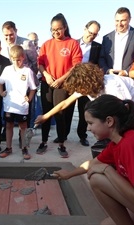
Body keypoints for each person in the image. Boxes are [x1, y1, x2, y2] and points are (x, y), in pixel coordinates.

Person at [53, 94, 134, 225]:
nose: (88, 128)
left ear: (109, 121)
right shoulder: (117, 143)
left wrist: (107, 170)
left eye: (91, 123)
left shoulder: (131, 144)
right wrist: (69, 174)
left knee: (97, 178)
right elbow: (92, 163)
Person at [35, 63, 134, 134]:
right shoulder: (85, 87)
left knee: (131, 134)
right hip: (118, 105)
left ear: (88, 83)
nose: (81, 92)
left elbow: (127, 109)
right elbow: (64, 103)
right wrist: (46, 116)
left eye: (81, 88)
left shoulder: (112, 85)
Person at [37, 13, 83, 157]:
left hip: (63, 85)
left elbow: (76, 66)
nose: (56, 32)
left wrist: (61, 79)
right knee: (46, 113)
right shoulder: (46, 44)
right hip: (47, 83)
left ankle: (62, 143)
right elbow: (40, 63)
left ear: (65, 27)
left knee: (60, 113)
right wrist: (46, 75)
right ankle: (43, 141)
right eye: (53, 29)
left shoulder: (72, 43)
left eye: (59, 29)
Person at [0, 45, 37, 160]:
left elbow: (33, 88)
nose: (16, 62)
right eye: (13, 60)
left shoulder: (27, 71)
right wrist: (1, 93)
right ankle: (8, 148)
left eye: (18, 60)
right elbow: (0, 82)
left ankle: (24, 148)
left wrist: (29, 98)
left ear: (23, 57)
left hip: (22, 106)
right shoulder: (7, 69)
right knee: (8, 126)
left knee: (23, 127)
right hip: (9, 105)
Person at [75, 20, 102, 147]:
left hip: (87, 83)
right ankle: (62, 135)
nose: (91, 36)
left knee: (84, 110)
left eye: (95, 34)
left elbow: (98, 64)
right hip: (72, 80)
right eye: (90, 32)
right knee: (67, 110)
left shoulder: (98, 47)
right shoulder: (73, 43)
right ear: (84, 29)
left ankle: (82, 135)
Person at [99, 7, 134, 76]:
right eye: (117, 21)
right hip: (110, 78)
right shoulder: (106, 38)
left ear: (129, 20)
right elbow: (102, 58)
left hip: (130, 79)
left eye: (123, 20)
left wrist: (126, 72)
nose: (119, 24)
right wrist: (107, 70)